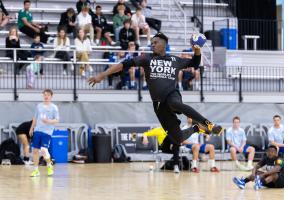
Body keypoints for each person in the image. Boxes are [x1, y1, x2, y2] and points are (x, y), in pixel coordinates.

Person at [88, 32, 223, 148]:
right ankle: (197, 128)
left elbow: (194, 63)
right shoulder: (146, 58)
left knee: (175, 103)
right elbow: (124, 64)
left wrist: (197, 49)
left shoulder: (175, 60)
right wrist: (102, 75)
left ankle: (208, 124)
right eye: (151, 43)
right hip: (159, 103)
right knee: (177, 138)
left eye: (155, 42)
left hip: (172, 95)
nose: (152, 44)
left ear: (163, 45)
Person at [29, 89, 59, 177]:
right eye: (45, 95)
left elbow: (57, 120)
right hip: (37, 130)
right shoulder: (39, 106)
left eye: (48, 95)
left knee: (43, 150)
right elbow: (35, 118)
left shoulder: (54, 107)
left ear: (51, 97)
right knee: (35, 150)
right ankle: (36, 170)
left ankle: (49, 165)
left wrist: (48, 121)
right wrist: (31, 128)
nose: (46, 96)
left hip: (47, 131)